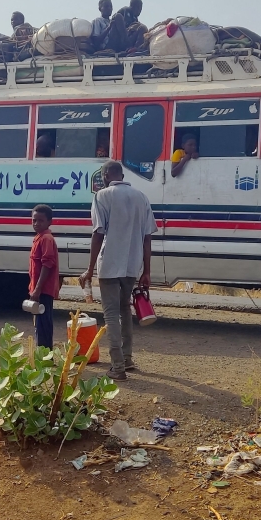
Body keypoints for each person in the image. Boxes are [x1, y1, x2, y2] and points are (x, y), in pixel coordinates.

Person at [80, 160, 158, 380]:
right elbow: (147, 238)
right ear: (121, 175)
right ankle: (127, 358)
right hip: (132, 265)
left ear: (105, 175)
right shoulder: (141, 197)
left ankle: (117, 367)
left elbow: (98, 234)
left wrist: (89, 268)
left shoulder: (102, 196)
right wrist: (147, 271)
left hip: (110, 263)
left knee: (111, 314)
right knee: (125, 309)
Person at [28, 204, 61, 349]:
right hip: (39, 289)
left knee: (43, 325)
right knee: (40, 323)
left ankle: (45, 358)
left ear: (49, 222)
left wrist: (37, 289)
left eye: (40, 221)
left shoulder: (46, 238)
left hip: (44, 290)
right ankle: (43, 356)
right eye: (34, 220)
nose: (36, 224)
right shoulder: (39, 238)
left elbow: (47, 265)